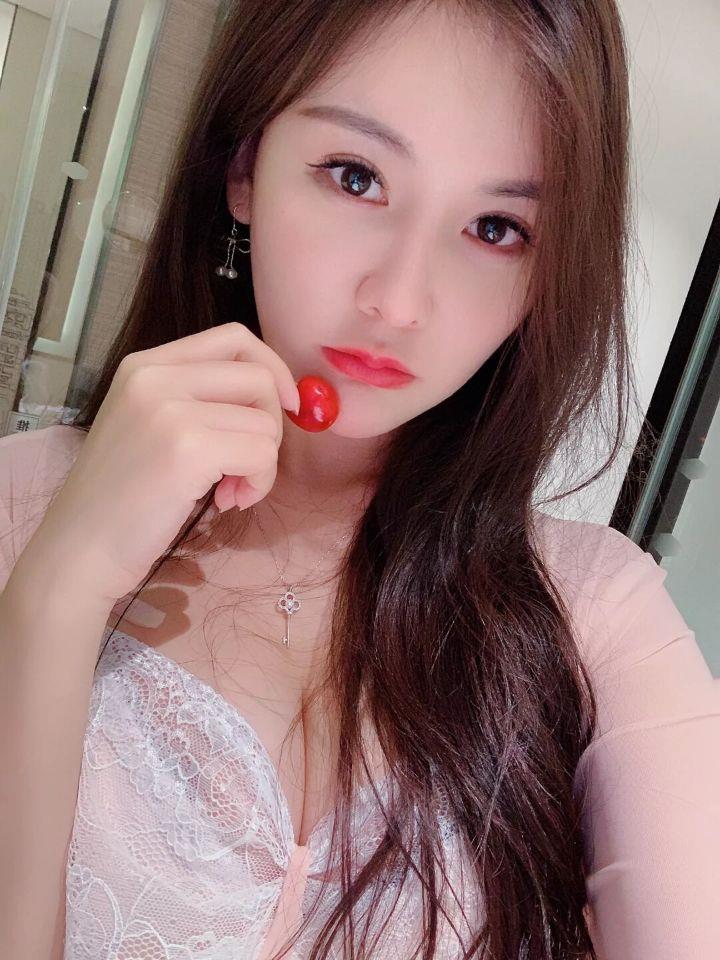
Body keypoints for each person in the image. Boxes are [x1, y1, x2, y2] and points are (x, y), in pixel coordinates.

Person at [0, 1, 718, 958]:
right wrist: (56, 595)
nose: (400, 300)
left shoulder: (597, 615)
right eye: (356, 176)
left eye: (496, 227)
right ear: (245, 168)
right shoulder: (23, 503)